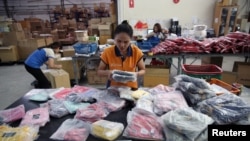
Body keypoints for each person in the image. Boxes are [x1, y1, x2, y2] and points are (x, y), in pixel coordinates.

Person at [97, 20, 146, 90]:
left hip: (131, 88)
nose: (122, 45)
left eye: (126, 42)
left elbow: (143, 70)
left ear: (131, 40)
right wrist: (108, 72)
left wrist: (136, 74)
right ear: (114, 39)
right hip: (113, 88)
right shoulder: (107, 52)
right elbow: (99, 72)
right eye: (119, 41)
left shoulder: (136, 52)